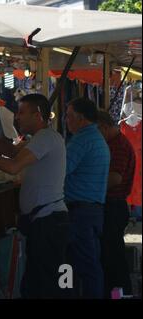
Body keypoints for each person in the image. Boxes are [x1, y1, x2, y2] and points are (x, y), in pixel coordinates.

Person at [0, 94, 69, 298]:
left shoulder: (46, 138)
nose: (17, 117)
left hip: (49, 222)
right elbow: (12, 151)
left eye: (22, 112)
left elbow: (13, 166)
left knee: (48, 282)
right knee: (37, 281)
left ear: (38, 114)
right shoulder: (39, 139)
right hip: (43, 222)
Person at [64, 98, 110, 299]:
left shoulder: (83, 140)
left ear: (80, 118)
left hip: (79, 212)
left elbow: (60, 169)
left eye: (68, 115)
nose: (65, 120)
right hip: (91, 210)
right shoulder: (97, 139)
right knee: (88, 263)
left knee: (79, 265)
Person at [97, 111, 135, 297]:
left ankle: (120, 292)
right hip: (112, 205)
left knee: (113, 257)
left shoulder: (118, 145)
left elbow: (115, 178)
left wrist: (90, 187)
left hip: (113, 205)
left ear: (104, 127)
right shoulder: (113, 143)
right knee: (111, 255)